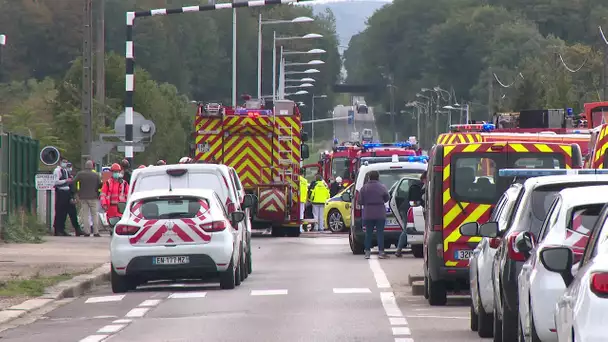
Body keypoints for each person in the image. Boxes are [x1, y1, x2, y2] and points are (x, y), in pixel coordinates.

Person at [395, 171, 427, 257]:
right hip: (407, 209)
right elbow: (419, 200)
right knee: (406, 229)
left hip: (406, 208)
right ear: (424, 178)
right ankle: (398, 250)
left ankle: (399, 249)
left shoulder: (418, 185)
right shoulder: (419, 186)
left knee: (406, 229)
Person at [360, 170, 390, 259]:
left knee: (368, 233)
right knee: (380, 233)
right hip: (380, 212)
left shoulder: (364, 188)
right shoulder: (382, 187)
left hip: (368, 212)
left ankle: (367, 253)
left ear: (369, 177)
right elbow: (387, 198)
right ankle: (381, 252)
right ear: (378, 177)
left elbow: (360, 201)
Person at [53, 159, 83, 236]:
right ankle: (58, 230)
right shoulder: (57, 171)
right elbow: (55, 182)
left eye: (66, 162)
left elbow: (71, 183)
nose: (65, 164)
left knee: (72, 211)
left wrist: (72, 196)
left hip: (68, 193)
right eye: (64, 162)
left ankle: (76, 229)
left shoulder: (65, 171)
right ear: (60, 162)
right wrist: (66, 180)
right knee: (60, 212)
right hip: (61, 192)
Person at [74, 160, 102, 237]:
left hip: (83, 197)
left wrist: (77, 191)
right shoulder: (96, 175)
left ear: (85, 166)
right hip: (93, 197)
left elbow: (74, 182)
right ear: (92, 166)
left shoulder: (80, 174)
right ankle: (96, 232)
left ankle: (87, 232)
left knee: (85, 215)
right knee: (94, 214)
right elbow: (100, 185)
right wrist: (97, 192)